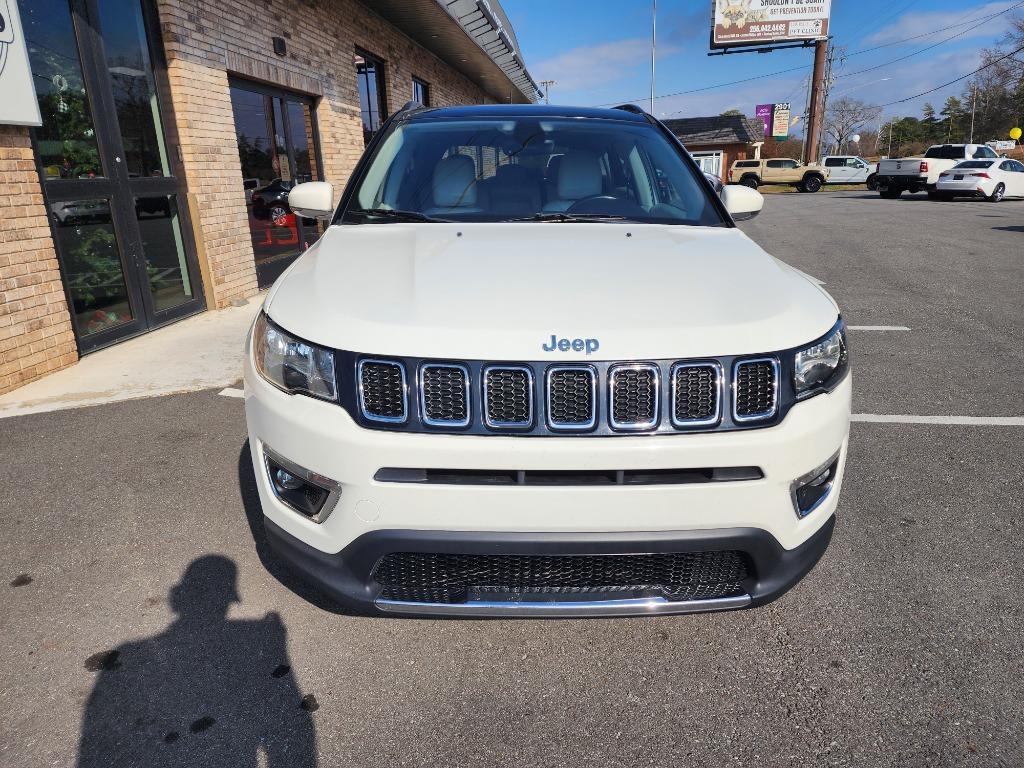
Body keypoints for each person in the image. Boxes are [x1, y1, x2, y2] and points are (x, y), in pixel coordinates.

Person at [77, 555, 316, 767]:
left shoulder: (129, 650)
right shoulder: (260, 633)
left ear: (176, 597)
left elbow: (92, 743)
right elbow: (295, 721)